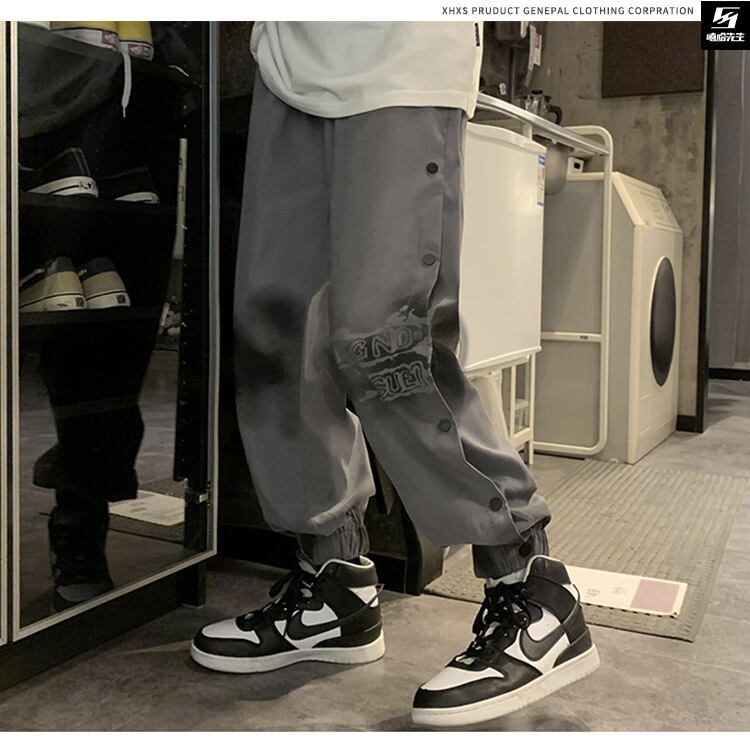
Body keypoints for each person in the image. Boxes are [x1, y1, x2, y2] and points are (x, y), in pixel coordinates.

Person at [191, 21, 599, 726]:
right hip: (287, 63)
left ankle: (532, 588)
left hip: (399, 57)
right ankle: (334, 588)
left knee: (387, 340)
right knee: (278, 339)